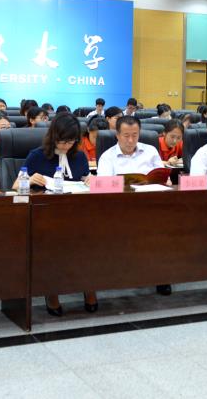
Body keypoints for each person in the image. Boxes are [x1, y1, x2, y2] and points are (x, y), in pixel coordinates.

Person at [13, 113, 94, 316]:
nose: (66, 146)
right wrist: (29, 179)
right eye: (62, 141)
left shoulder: (79, 157)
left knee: (90, 241)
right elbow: (15, 186)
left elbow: (86, 182)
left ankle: (89, 286)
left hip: (76, 215)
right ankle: (51, 291)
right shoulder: (37, 155)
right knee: (52, 245)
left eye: (71, 141)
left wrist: (90, 180)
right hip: (46, 218)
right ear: (53, 136)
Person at [97, 116, 163, 176]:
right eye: (126, 136)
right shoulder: (107, 157)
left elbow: (162, 177)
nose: (130, 140)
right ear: (117, 135)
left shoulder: (151, 151)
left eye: (134, 135)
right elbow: (104, 183)